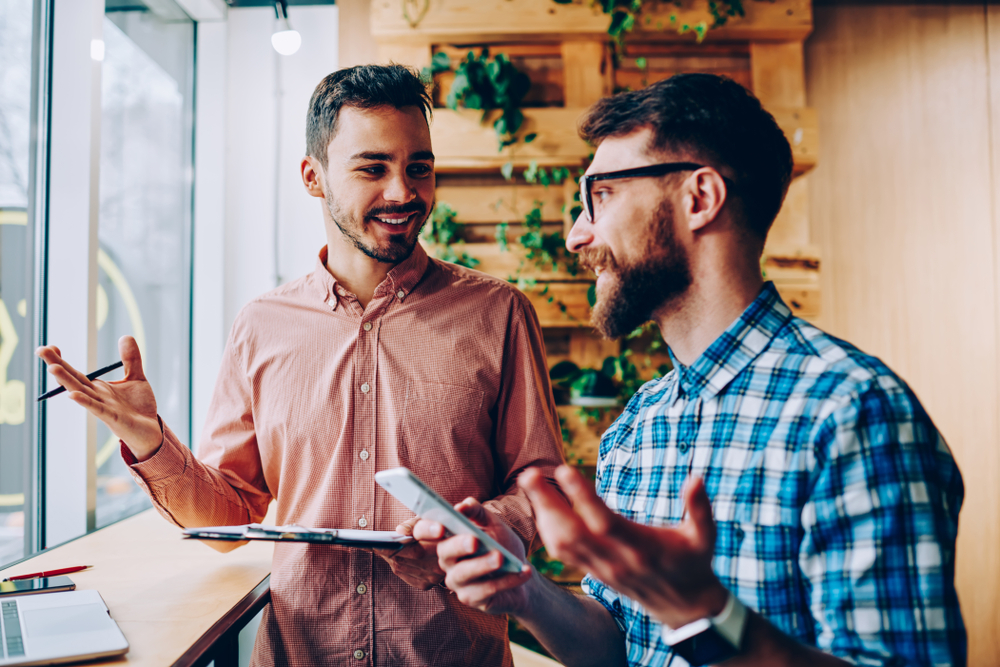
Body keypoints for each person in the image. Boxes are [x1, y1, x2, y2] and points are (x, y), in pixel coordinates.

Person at [416, 73, 966, 667]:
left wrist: (703, 614)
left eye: (600, 196)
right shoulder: (639, 423)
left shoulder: (852, 410)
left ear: (699, 199)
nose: (577, 236)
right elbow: (617, 647)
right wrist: (523, 588)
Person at [36, 64, 565, 666]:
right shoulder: (261, 324)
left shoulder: (498, 313)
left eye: (419, 167)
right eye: (373, 168)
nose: (403, 191)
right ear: (314, 177)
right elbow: (230, 510)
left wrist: (467, 533)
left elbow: (540, 485)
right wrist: (148, 439)